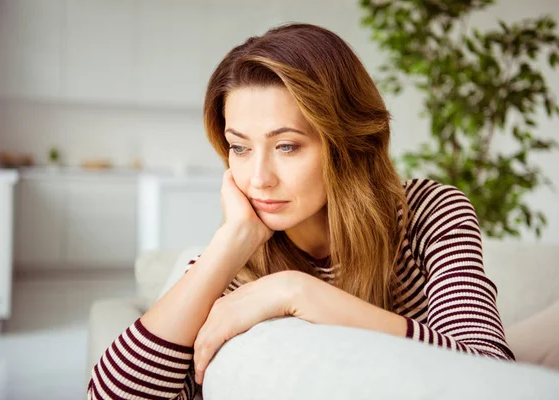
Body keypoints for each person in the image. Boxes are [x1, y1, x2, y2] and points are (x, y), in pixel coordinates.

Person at [87, 23, 515, 399]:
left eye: (286, 146)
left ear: (347, 143)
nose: (258, 179)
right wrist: (229, 244)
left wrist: (295, 292)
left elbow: (488, 368)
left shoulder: (430, 210)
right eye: (240, 147)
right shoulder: (240, 261)